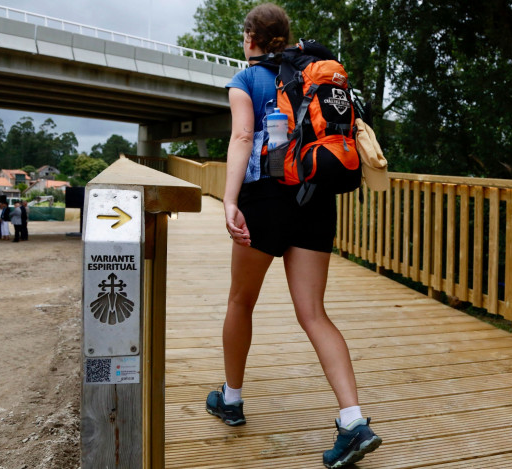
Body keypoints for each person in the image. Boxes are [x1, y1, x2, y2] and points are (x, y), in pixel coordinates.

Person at [203, 5, 381, 468]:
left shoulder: (247, 80)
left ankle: (232, 399)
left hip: (265, 200)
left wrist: (228, 200)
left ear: (250, 39)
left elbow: (242, 138)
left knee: (240, 301)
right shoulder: (311, 73)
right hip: (315, 199)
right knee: (315, 314)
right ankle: (353, 421)